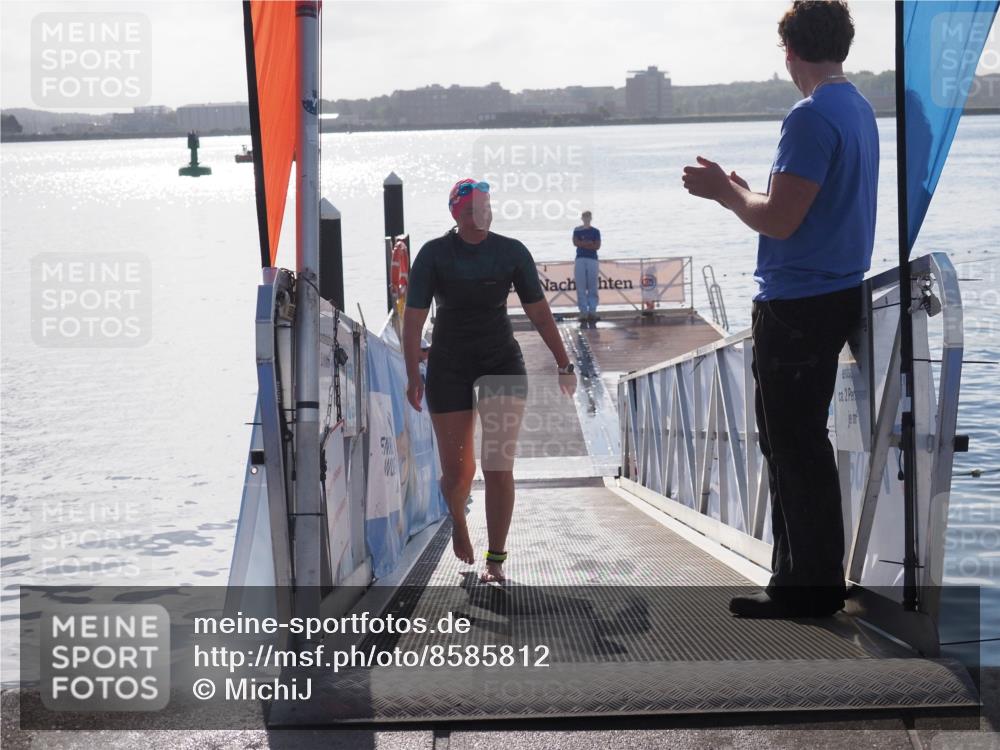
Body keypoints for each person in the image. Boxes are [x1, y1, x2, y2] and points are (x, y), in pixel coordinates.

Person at [681, 0, 878, 618]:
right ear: (841, 45)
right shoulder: (859, 109)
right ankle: (809, 576)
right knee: (801, 442)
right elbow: (798, 207)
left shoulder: (810, 116)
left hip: (798, 303)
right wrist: (743, 190)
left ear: (789, 52)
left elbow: (781, 220)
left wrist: (725, 195)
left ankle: (806, 585)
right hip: (837, 291)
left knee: (791, 443)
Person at [403, 179, 576, 583]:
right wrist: (413, 374)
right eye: (470, 210)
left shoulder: (511, 252)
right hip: (448, 366)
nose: (479, 215)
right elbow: (413, 322)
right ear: (456, 215)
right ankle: (459, 524)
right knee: (458, 472)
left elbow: (539, 312)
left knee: (499, 465)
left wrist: (563, 362)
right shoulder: (434, 255)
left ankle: (495, 560)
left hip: (500, 362)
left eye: (484, 208)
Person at [572, 211, 602, 322]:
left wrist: (583, 243)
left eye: (588, 217)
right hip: (580, 259)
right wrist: (589, 243)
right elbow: (576, 243)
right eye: (585, 217)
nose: (586, 219)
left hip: (592, 259)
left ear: (591, 218)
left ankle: (592, 311)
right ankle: (583, 311)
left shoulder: (595, 231)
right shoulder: (577, 230)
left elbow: (597, 245)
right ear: (582, 218)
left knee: (592, 286)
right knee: (580, 286)